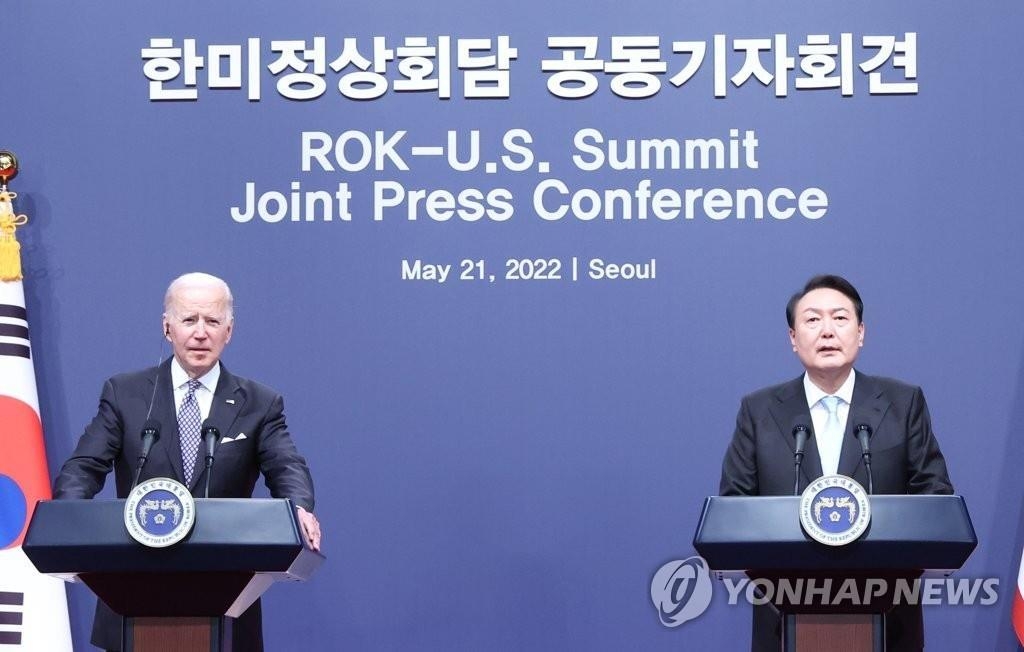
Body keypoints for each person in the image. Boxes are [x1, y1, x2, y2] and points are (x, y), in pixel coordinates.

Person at [54, 272, 322, 651]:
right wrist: (68, 518)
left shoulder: (259, 402)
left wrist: (299, 509)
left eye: (212, 321)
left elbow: (287, 466)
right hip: (132, 589)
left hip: (225, 598)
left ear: (229, 331)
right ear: (167, 327)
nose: (201, 333)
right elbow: (83, 467)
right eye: (189, 319)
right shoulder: (125, 393)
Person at [718, 274, 952, 651]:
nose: (827, 330)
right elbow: (735, 510)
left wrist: (894, 578)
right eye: (812, 320)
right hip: (783, 619)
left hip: (889, 617)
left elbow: (936, 499)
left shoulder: (902, 403)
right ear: (793, 338)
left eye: (840, 318)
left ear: (861, 333)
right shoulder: (759, 411)